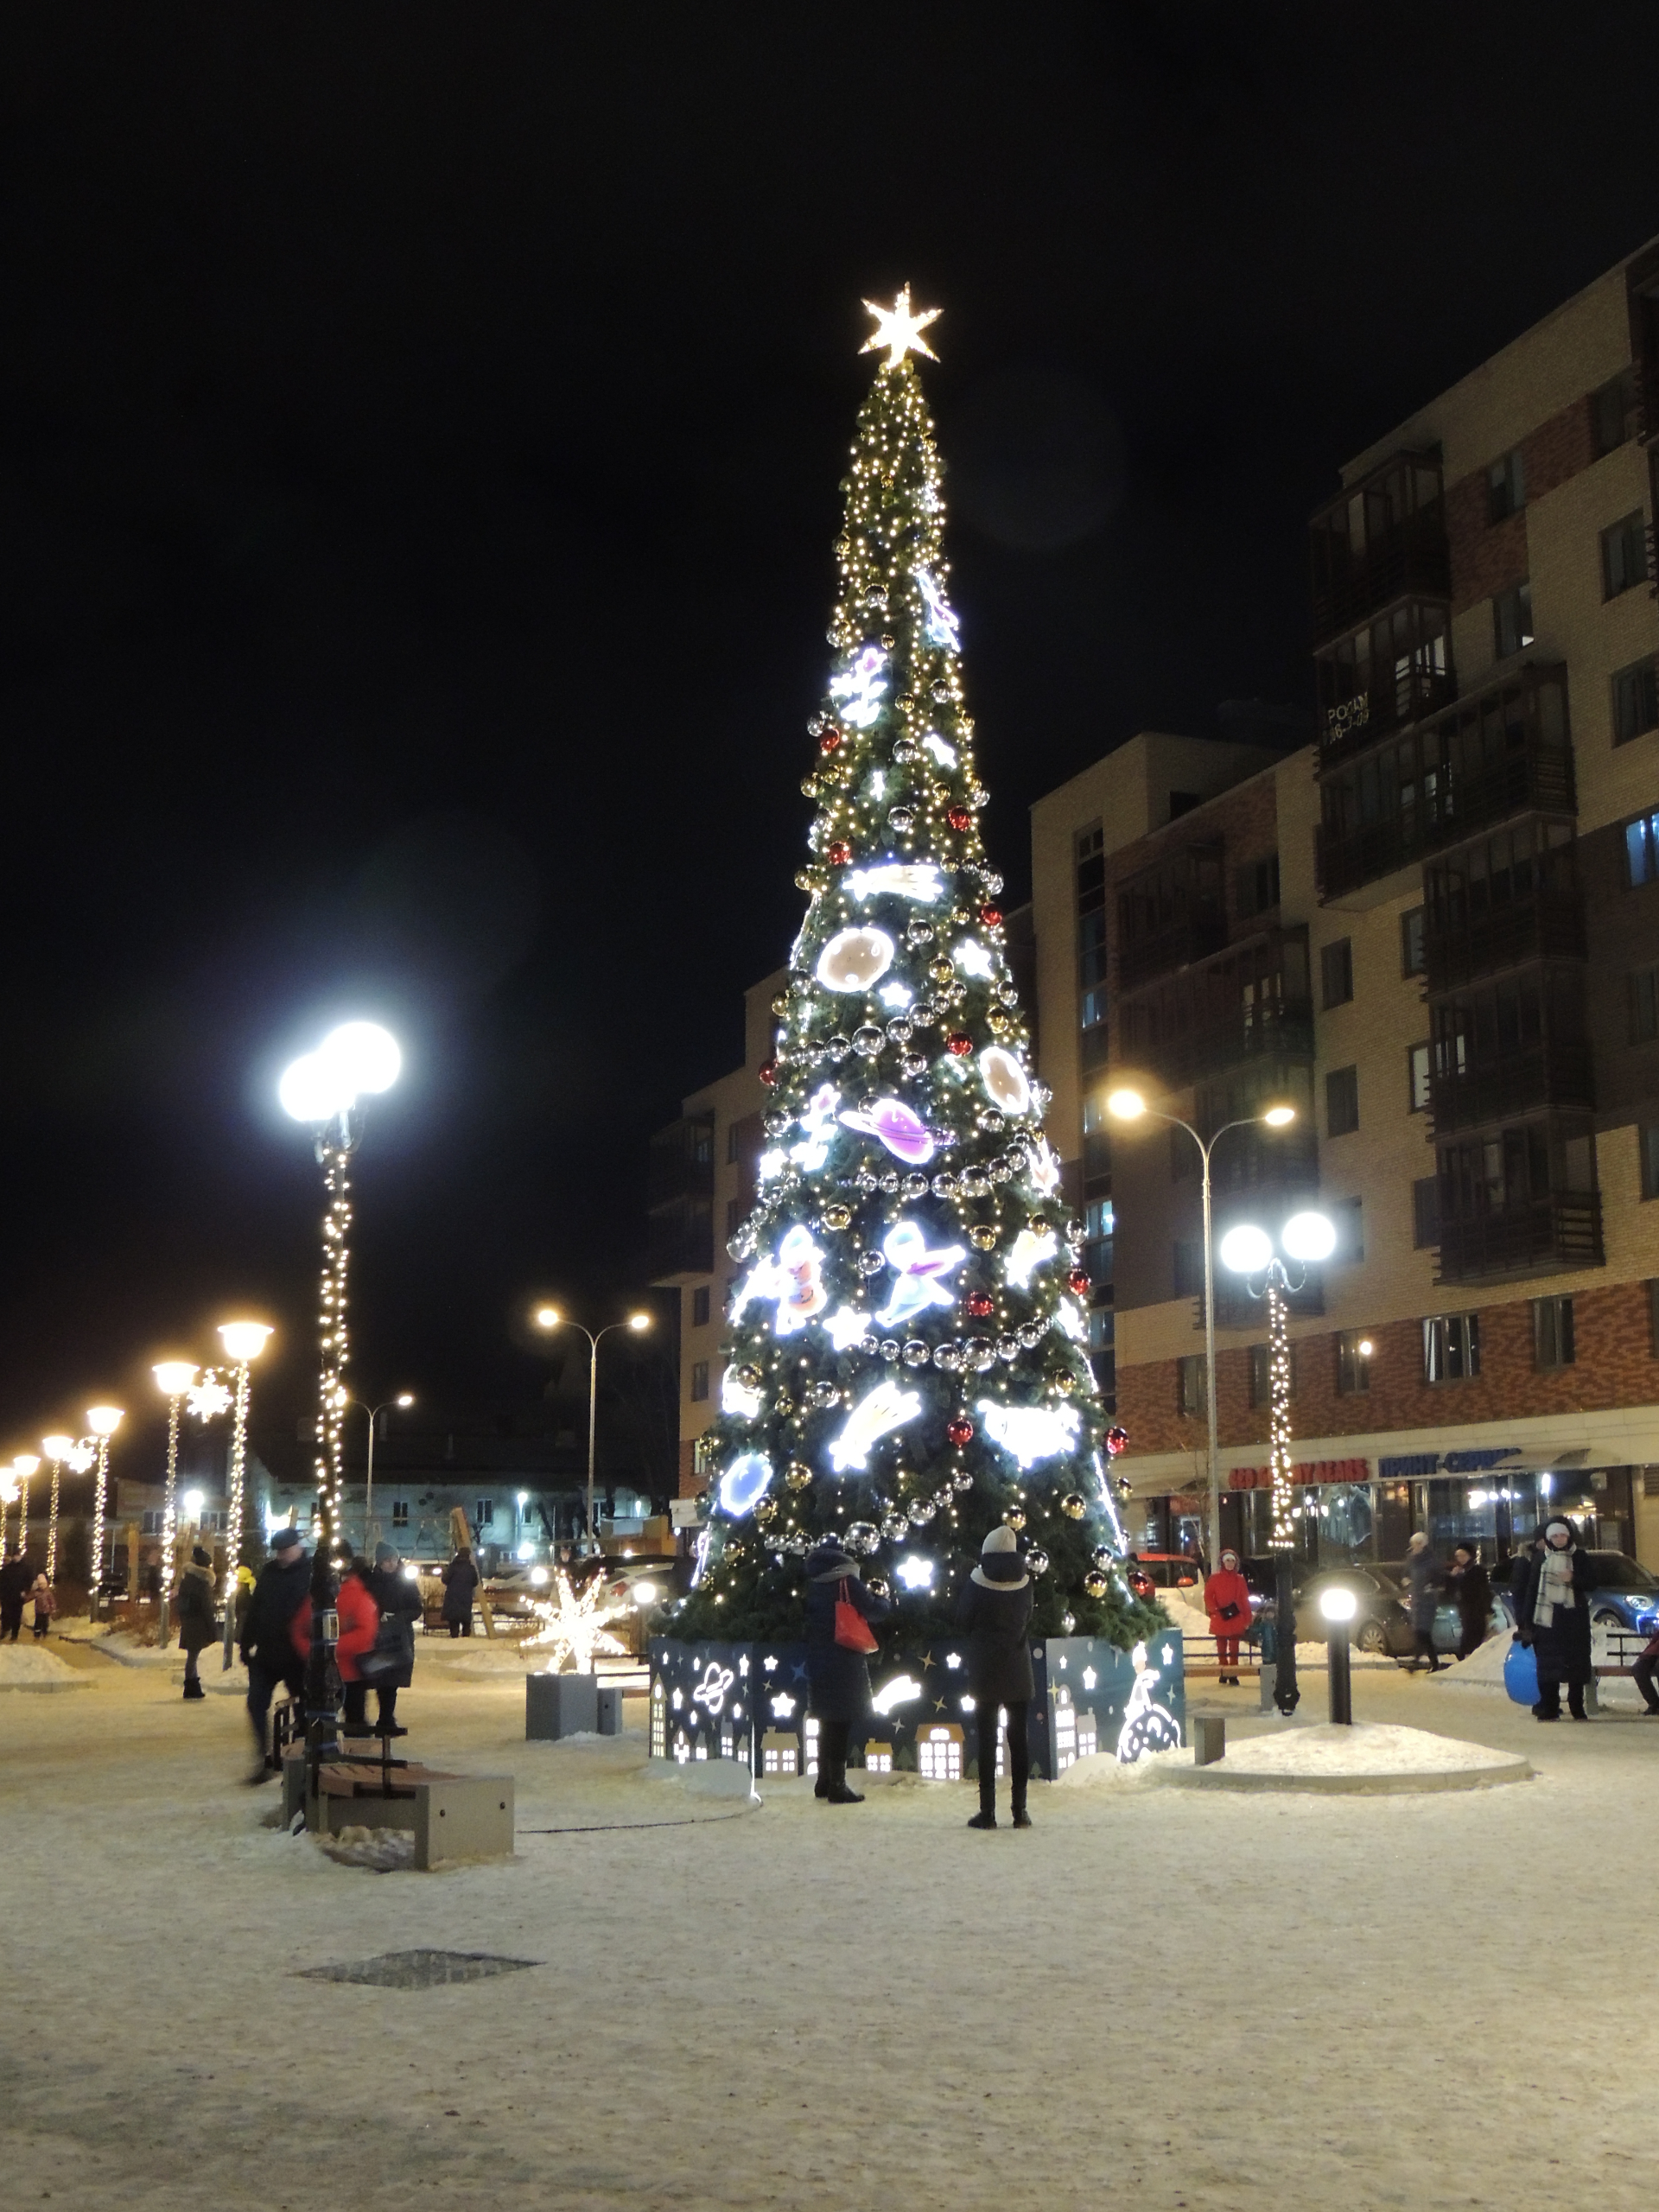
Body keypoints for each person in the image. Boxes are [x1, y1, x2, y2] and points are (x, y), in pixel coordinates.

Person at [957, 1526, 1035, 1830]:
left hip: (985, 1668)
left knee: (987, 1740)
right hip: (1018, 1668)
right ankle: (1020, 1812)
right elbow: (1028, 1618)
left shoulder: (976, 1583)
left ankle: (987, 1813)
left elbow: (963, 1619)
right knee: (1019, 1740)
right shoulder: (1026, 1583)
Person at [802, 1535, 889, 1804]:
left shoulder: (815, 1582)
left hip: (819, 1657)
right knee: (840, 1722)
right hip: (843, 1657)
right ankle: (837, 1786)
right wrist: (884, 1599)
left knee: (827, 1720)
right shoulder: (846, 1580)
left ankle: (824, 1780)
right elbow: (873, 1611)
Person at [238, 1529, 310, 1782]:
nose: (281, 1556)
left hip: (296, 1654)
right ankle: (264, 1757)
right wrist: (246, 1642)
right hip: (267, 1652)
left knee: (303, 1706)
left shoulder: (310, 1573)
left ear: (298, 1547)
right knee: (256, 1703)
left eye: (285, 1550)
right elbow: (256, 1609)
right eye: (278, 1551)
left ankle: (302, 1760)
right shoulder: (269, 1572)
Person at [1521, 1516, 1595, 1721]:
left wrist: (1573, 1578)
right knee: (1548, 1666)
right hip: (1547, 1619)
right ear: (1548, 1538)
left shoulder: (1579, 1556)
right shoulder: (1540, 1558)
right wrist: (1526, 1621)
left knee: (1576, 1664)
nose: (1560, 1539)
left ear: (1569, 1537)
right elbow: (1532, 1589)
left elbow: (1592, 1583)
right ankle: (1550, 1707)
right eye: (1555, 1536)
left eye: (1563, 1535)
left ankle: (1577, 1706)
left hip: (1574, 1619)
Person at [317, 1556, 380, 1738]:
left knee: (351, 1716)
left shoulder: (358, 1596)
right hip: (340, 1668)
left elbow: (365, 1633)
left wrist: (327, 1647)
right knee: (348, 1717)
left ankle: (349, 1747)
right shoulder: (357, 1595)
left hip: (349, 1668)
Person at [365, 1541, 422, 1734]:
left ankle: (387, 1718)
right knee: (380, 1676)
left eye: (395, 1559)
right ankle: (382, 1719)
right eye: (387, 1560)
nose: (392, 1564)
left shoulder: (405, 1581)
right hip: (378, 1634)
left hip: (399, 1636)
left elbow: (416, 1608)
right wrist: (377, 1614)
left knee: (393, 1678)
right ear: (379, 1562)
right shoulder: (372, 1581)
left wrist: (398, 1617)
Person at [1203, 1548, 1252, 1686]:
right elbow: (1208, 1596)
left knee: (1234, 1649)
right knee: (1221, 1648)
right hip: (1220, 1617)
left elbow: (1244, 1599)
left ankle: (1233, 1673)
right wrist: (1214, 1610)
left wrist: (1247, 1618)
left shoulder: (1239, 1580)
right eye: (1227, 1561)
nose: (1230, 1563)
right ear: (1223, 1563)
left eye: (1232, 1561)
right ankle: (1224, 1672)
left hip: (1236, 1617)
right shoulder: (1214, 1579)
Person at [175, 1544, 219, 1700]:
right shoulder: (202, 1583)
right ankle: (190, 1687)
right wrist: (213, 1629)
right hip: (198, 1624)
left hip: (188, 1622)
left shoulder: (187, 1580)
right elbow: (207, 1607)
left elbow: (180, 1603)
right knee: (193, 1657)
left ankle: (193, 1686)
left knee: (192, 1655)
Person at [1401, 1532, 1443, 1673]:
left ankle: (1418, 1660)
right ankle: (1430, 1662)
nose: (1414, 1547)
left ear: (1423, 1544)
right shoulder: (1411, 1559)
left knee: (1423, 1631)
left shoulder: (1431, 1560)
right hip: (1417, 1599)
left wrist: (1430, 1586)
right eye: (1413, 1544)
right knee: (1421, 1632)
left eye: (1417, 1544)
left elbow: (1439, 1577)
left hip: (1428, 1600)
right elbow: (1405, 1574)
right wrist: (1406, 1582)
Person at [1446, 1544, 1492, 1661]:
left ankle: (1470, 1658)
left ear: (1470, 1555)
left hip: (1477, 1608)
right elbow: (1449, 1590)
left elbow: (1484, 1591)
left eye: (1463, 1555)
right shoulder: (1458, 1571)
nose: (1460, 1558)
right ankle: (1466, 1658)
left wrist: (1487, 1609)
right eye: (1458, 1556)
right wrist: (1452, 1577)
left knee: (1475, 1634)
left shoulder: (1477, 1571)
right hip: (1465, 1608)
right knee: (1468, 1634)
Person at [442, 1547, 479, 1637]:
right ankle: (466, 1636)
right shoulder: (471, 1568)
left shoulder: (453, 1567)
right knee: (465, 1618)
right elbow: (475, 1582)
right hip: (466, 1597)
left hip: (453, 1596)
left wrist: (444, 1573)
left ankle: (454, 1636)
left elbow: (445, 1580)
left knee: (454, 1619)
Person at [0, 1550, 31, 1642]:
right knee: (5, 1614)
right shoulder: (8, 1568)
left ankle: (14, 1634)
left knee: (16, 1615)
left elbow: (29, 1580)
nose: (15, 1557)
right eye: (14, 1555)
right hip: (7, 1596)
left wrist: (25, 1590)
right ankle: (5, 1630)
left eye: (17, 1555)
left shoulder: (25, 1568)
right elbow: (2, 1580)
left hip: (18, 1596)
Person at [29, 1570, 55, 1641]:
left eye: (43, 1584)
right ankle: (37, 1635)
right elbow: (31, 1597)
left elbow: (51, 1601)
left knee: (45, 1623)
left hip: (46, 1610)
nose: (41, 1586)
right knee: (38, 1623)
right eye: (40, 1585)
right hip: (38, 1610)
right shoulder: (37, 1592)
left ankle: (44, 1633)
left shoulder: (48, 1593)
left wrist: (52, 1608)